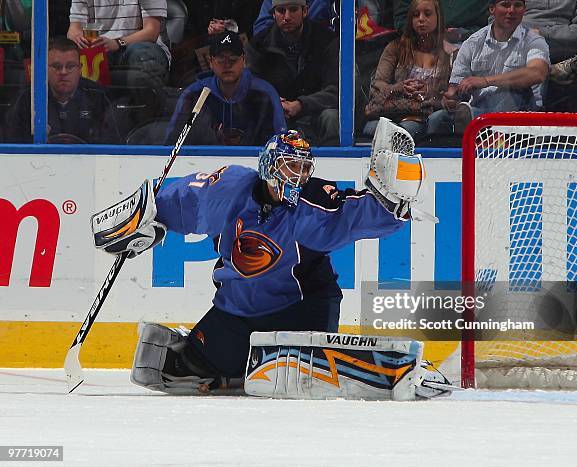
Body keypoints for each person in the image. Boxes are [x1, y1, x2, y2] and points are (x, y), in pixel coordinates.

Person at [91, 128, 430, 394]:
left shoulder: (311, 205)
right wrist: (143, 218)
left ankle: (270, 364)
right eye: (290, 166)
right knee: (178, 368)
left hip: (302, 307)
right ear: (269, 165)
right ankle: (230, 368)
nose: (297, 176)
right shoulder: (228, 189)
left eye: (303, 169)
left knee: (303, 374)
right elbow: (179, 199)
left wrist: (391, 197)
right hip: (238, 309)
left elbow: (356, 212)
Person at [427, 0, 550, 135]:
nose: (511, 10)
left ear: (524, 10)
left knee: (505, 93)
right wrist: (451, 98)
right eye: (505, 5)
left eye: (518, 6)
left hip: (519, 116)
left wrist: (486, 80)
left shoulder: (533, 40)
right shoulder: (473, 43)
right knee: (436, 119)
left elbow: (537, 73)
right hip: (477, 111)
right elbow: (454, 87)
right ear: (492, 9)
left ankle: (473, 119)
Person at [165, 31, 286, 146]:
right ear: (210, 62)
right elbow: (173, 144)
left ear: (243, 60)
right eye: (221, 59)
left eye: (233, 59)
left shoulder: (265, 93)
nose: (227, 65)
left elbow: (280, 143)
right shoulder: (193, 95)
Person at [246, 0, 340, 146]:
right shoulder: (259, 44)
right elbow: (249, 86)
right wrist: (275, 101)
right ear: (273, 14)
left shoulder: (326, 40)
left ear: (305, 11)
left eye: (293, 9)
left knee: (332, 117)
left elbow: (337, 90)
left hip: (315, 112)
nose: (287, 16)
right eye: (281, 11)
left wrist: (301, 104)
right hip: (276, 114)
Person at [363, 0, 457, 142]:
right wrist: (400, 87)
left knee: (409, 128)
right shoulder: (395, 48)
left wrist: (429, 92)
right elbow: (378, 85)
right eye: (415, 15)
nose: (421, 19)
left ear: (438, 17)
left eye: (427, 14)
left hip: (428, 115)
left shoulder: (450, 54)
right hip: (394, 112)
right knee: (372, 129)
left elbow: (454, 97)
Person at [6, 37, 120, 144]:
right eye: (56, 66)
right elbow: (13, 144)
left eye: (70, 66)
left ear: (80, 69)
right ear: (45, 68)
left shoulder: (98, 96)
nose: (63, 72)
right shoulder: (28, 98)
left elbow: (110, 143)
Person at [67, 0, 170, 88]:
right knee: (66, 56)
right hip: (102, 48)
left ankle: (149, 110)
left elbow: (151, 31)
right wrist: (78, 37)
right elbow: (74, 29)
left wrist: (117, 43)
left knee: (142, 54)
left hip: (138, 45)